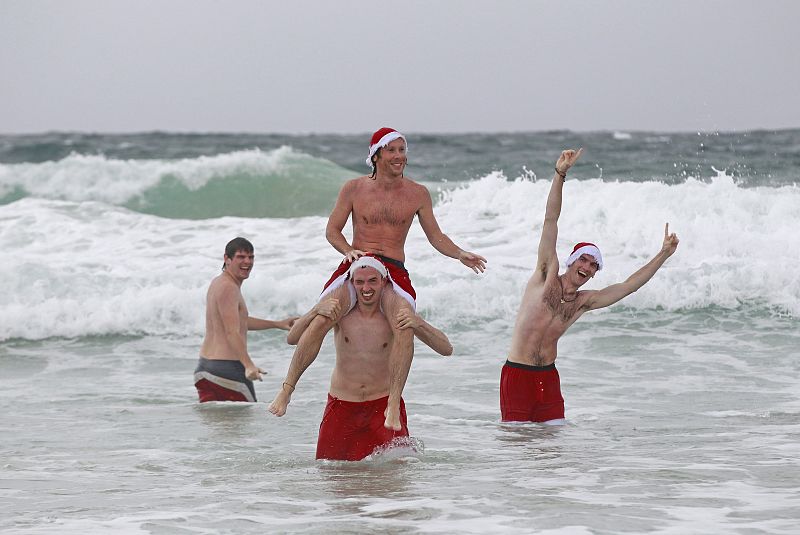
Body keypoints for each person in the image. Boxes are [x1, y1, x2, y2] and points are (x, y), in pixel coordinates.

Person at [270, 127, 484, 429]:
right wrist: (348, 251)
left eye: (402, 150)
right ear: (376, 156)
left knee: (404, 322)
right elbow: (332, 230)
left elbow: (436, 236)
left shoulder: (417, 193)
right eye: (392, 150)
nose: (399, 156)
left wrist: (460, 254)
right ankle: (286, 390)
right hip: (358, 263)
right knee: (323, 317)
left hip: (393, 269)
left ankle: (393, 403)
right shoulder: (354, 188)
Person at [502, 149, 680, 424]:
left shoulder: (583, 302)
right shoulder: (545, 274)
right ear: (572, 262)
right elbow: (551, 220)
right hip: (518, 375)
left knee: (553, 449)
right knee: (517, 446)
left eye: (593, 265)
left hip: (548, 377)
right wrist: (560, 174)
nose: (586, 267)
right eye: (582, 260)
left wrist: (663, 254)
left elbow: (629, 286)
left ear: (594, 273)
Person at [270, 256, 452, 461]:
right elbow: (292, 338)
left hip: (382, 409)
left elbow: (446, 349)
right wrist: (314, 310)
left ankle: (393, 407)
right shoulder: (340, 313)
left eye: (372, 281)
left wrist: (419, 323)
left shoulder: (395, 316)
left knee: (396, 478)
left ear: (384, 282)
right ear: (352, 283)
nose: (366, 288)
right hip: (342, 406)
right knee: (331, 474)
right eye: (360, 282)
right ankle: (286, 391)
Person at [194, 237, 297, 403]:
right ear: (226, 259)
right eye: (241, 257)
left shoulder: (219, 283)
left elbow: (238, 322)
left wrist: (277, 324)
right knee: (245, 427)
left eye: (251, 257)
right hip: (227, 371)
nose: (247, 262)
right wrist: (248, 365)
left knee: (219, 428)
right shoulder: (228, 287)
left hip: (205, 370)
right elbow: (231, 331)